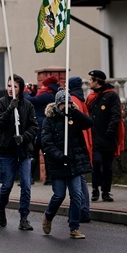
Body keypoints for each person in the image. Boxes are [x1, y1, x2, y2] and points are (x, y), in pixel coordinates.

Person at [41, 90, 93, 239]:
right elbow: (47, 143)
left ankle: (74, 227)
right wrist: (59, 156)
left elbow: (89, 123)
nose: (66, 106)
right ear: (58, 105)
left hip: (74, 163)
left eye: (69, 103)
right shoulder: (49, 121)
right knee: (59, 195)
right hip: (58, 164)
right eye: (63, 103)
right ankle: (49, 215)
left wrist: (74, 112)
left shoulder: (74, 117)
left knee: (77, 195)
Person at [0, 74, 38, 230]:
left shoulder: (28, 105)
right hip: (6, 151)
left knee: (26, 185)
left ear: (21, 88)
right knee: (6, 185)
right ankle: (1, 208)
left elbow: (34, 127)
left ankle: (24, 218)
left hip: (23, 151)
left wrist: (24, 137)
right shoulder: (1, 103)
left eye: (15, 86)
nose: (11, 89)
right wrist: (9, 110)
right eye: (9, 86)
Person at [86, 70, 124, 202]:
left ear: (97, 81)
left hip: (108, 137)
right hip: (94, 137)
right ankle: (95, 189)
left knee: (107, 166)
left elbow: (115, 115)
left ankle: (106, 191)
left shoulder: (111, 95)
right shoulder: (91, 96)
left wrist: (111, 130)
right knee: (96, 162)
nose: (89, 82)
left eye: (91, 80)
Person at [25, 75, 61, 184]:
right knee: (47, 154)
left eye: (44, 85)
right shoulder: (52, 94)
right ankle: (49, 178)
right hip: (46, 129)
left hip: (40, 129)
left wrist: (26, 91)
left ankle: (30, 178)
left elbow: (31, 100)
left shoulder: (47, 95)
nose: (42, 87)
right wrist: (32, 90)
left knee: (34, 153)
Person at [68, 76, 93, 222]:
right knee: (80, 179)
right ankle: (83, 210)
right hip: (82, 144)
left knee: (79, 180)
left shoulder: (74, 100)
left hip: (76, 145)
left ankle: (82, 210)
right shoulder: (80, 98)